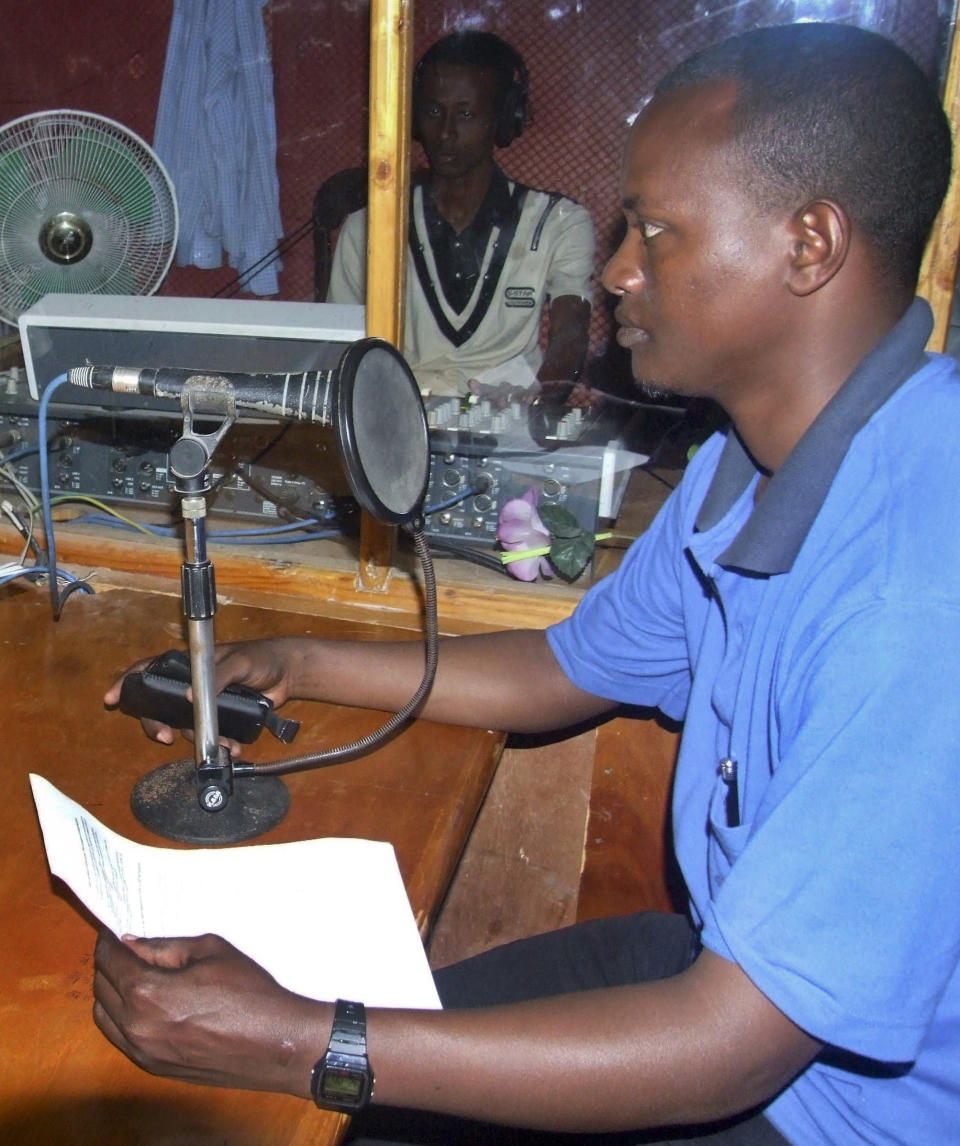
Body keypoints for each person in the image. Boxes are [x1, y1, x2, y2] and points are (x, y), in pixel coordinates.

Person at [92, 21, 959, 1145]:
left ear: (810, 245)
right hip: (710, 975)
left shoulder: (915, 587)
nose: (615, 270)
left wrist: (299, 1040)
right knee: (359, 1101)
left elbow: (731, 1049)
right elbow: (566, 664)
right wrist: (301, 660)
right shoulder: (743, 464)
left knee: (326, 1088)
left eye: (654, 229)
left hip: (818, 1108)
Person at [326, 30, 595, 402]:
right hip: (399, 416)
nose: (446, 133)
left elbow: (571, 332)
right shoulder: (368, 228)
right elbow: (338, 349)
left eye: (466, 114)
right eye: (434, 112)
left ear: (504, 118)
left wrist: (540, 402)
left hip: (512, 414)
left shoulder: (558, 223)